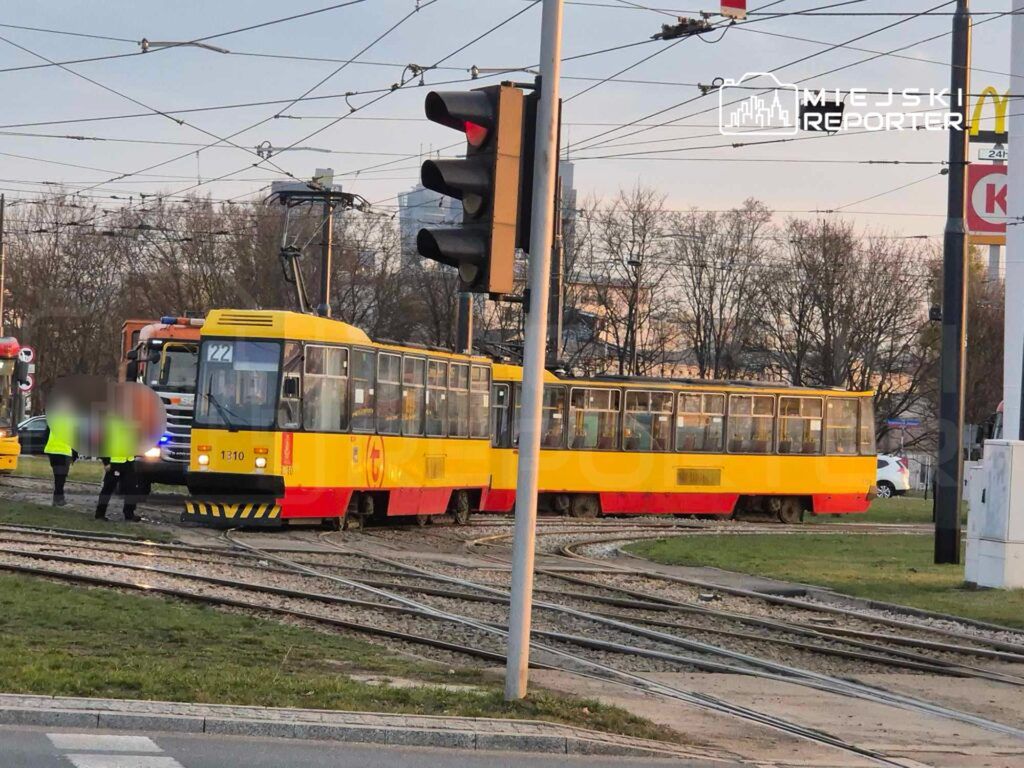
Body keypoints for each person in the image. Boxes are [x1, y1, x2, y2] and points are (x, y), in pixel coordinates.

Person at [94, 404, 139, 522]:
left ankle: (129, 514)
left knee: (132, 488)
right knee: (108, 489)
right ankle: (100, 514)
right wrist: (106, 462)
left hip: (128, 462)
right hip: (114, 463)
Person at [43, 407, 76, 506]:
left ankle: (59, 498)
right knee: (61, 477)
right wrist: (74, 456)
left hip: (52, 451)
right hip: (64, 452)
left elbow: (45, 434)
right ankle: (58, 499)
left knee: (58, 476)